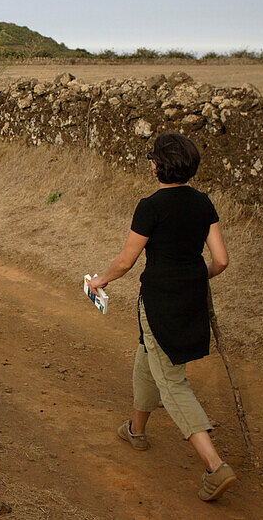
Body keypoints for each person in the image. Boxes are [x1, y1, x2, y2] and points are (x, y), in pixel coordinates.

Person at [86, 132, 235, 502]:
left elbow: (126, 261)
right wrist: (196, 275)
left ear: (160, 165)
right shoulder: (204, 203)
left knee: (172, 382)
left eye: (152, 158)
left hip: (159, 301)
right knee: (148, 358)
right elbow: (221, 260)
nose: (150, 163)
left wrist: (98, 281)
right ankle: (136, 431)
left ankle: (215, 467)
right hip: (192, 299)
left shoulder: (150, 206)